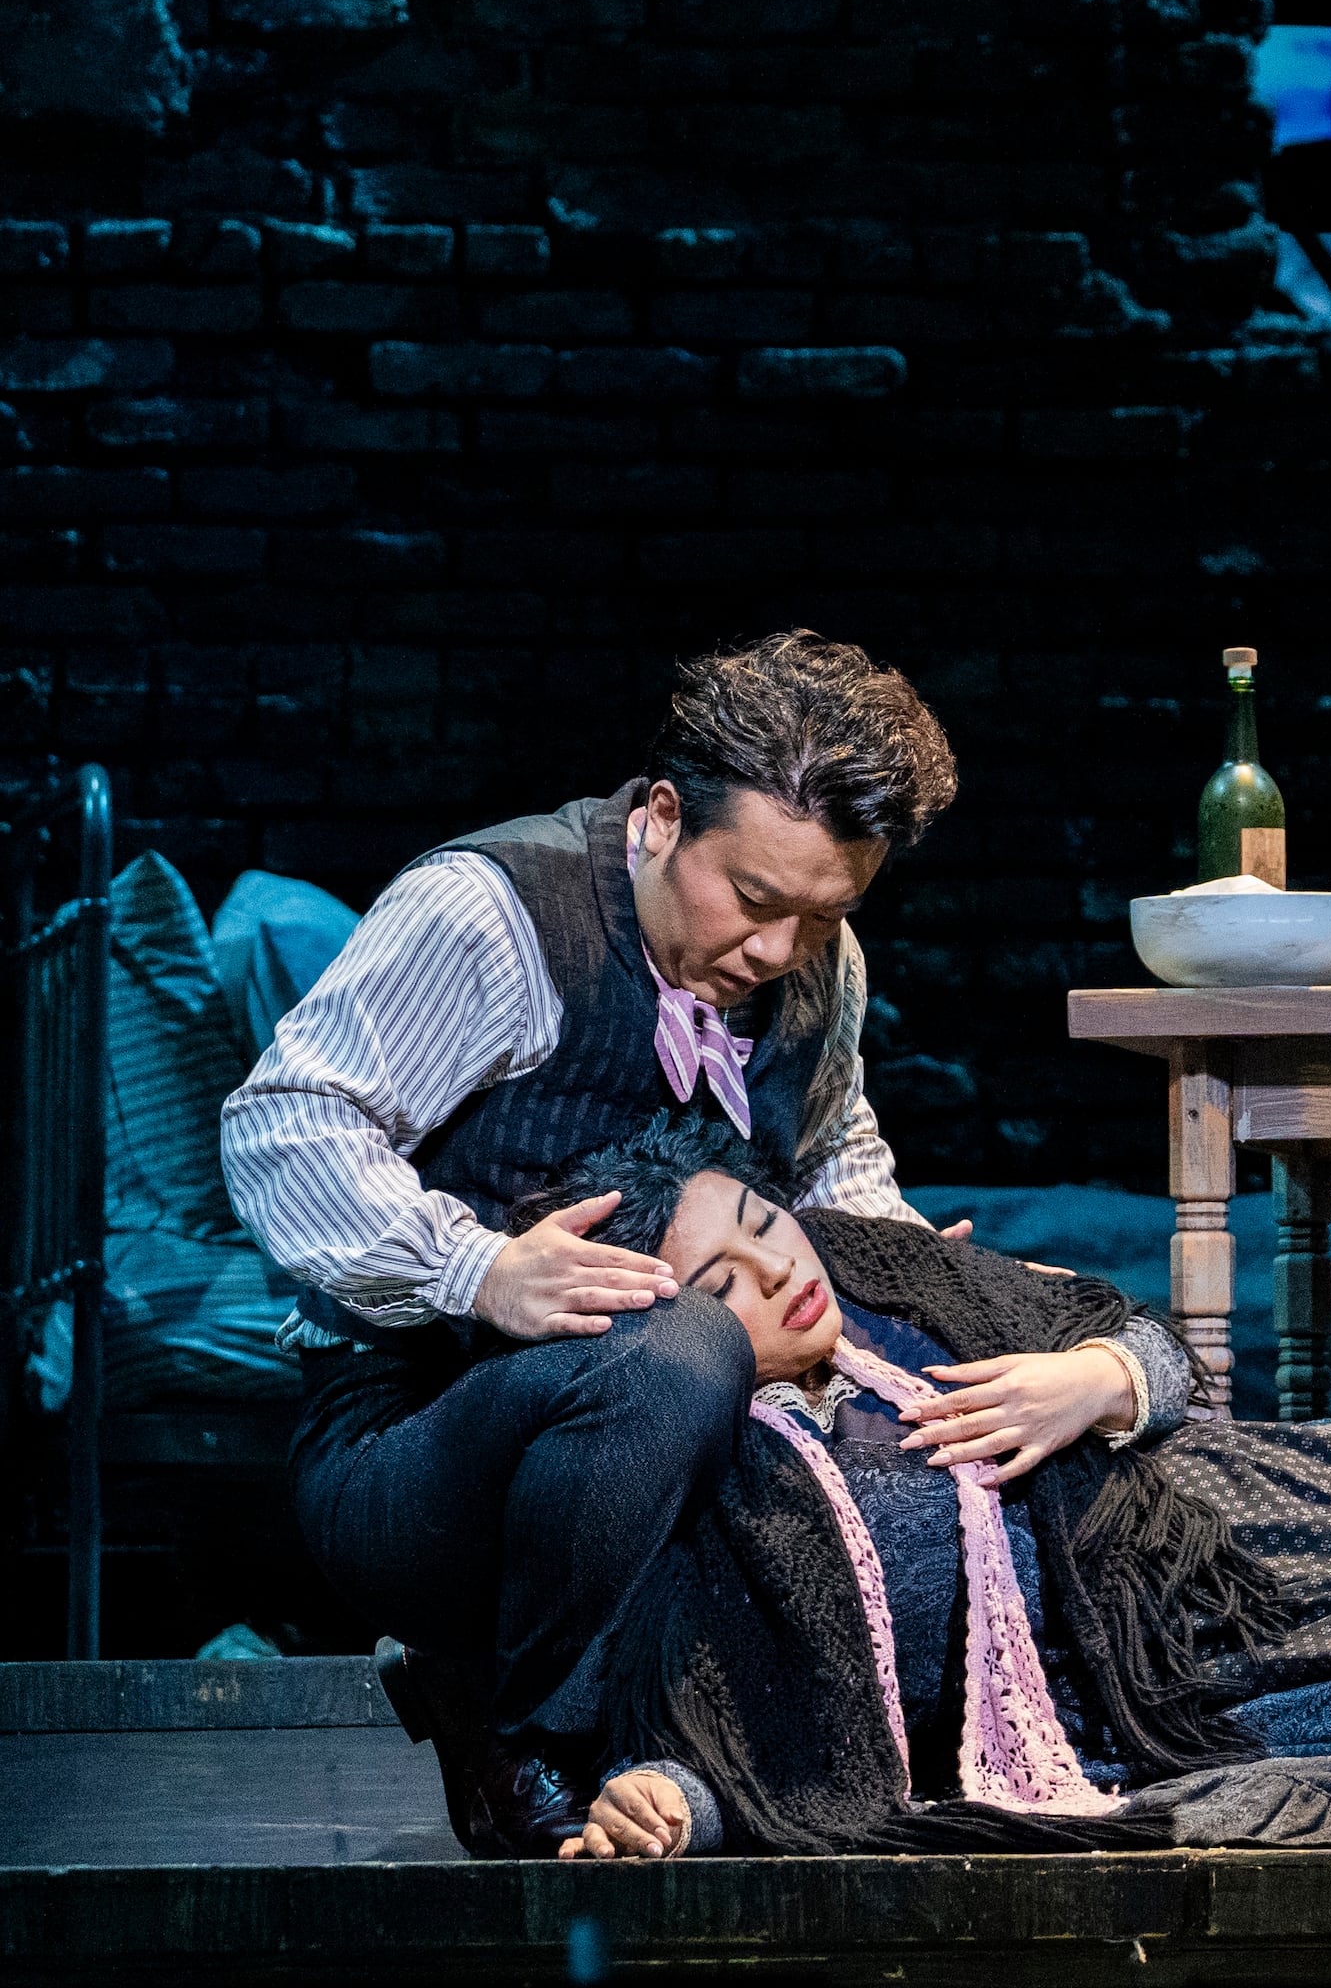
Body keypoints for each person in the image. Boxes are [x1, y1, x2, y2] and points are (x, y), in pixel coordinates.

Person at [217, 633, 1054, 1856]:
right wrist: (478, 1268)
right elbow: (285, 1122)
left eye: (826, 913)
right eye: (754, 900)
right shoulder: (498, 915)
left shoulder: (815, 967)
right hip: (418, 1442)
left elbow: (838, 1174)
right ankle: (524, 1729)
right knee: (680, 1353)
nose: (779, 950)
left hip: (676, 1456)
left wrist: (930, 1281)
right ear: (662, 817)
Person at [493, 1117, 1331, 1859]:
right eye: (725, 1284)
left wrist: (1089, 1380)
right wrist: (670, 1800)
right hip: (1160, 1678)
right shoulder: (731, 1483)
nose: (781, 1272)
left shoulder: (882, 1272)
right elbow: (737, 1710)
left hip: (1230, 1510)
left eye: (763, 1224)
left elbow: (1145, 1341)